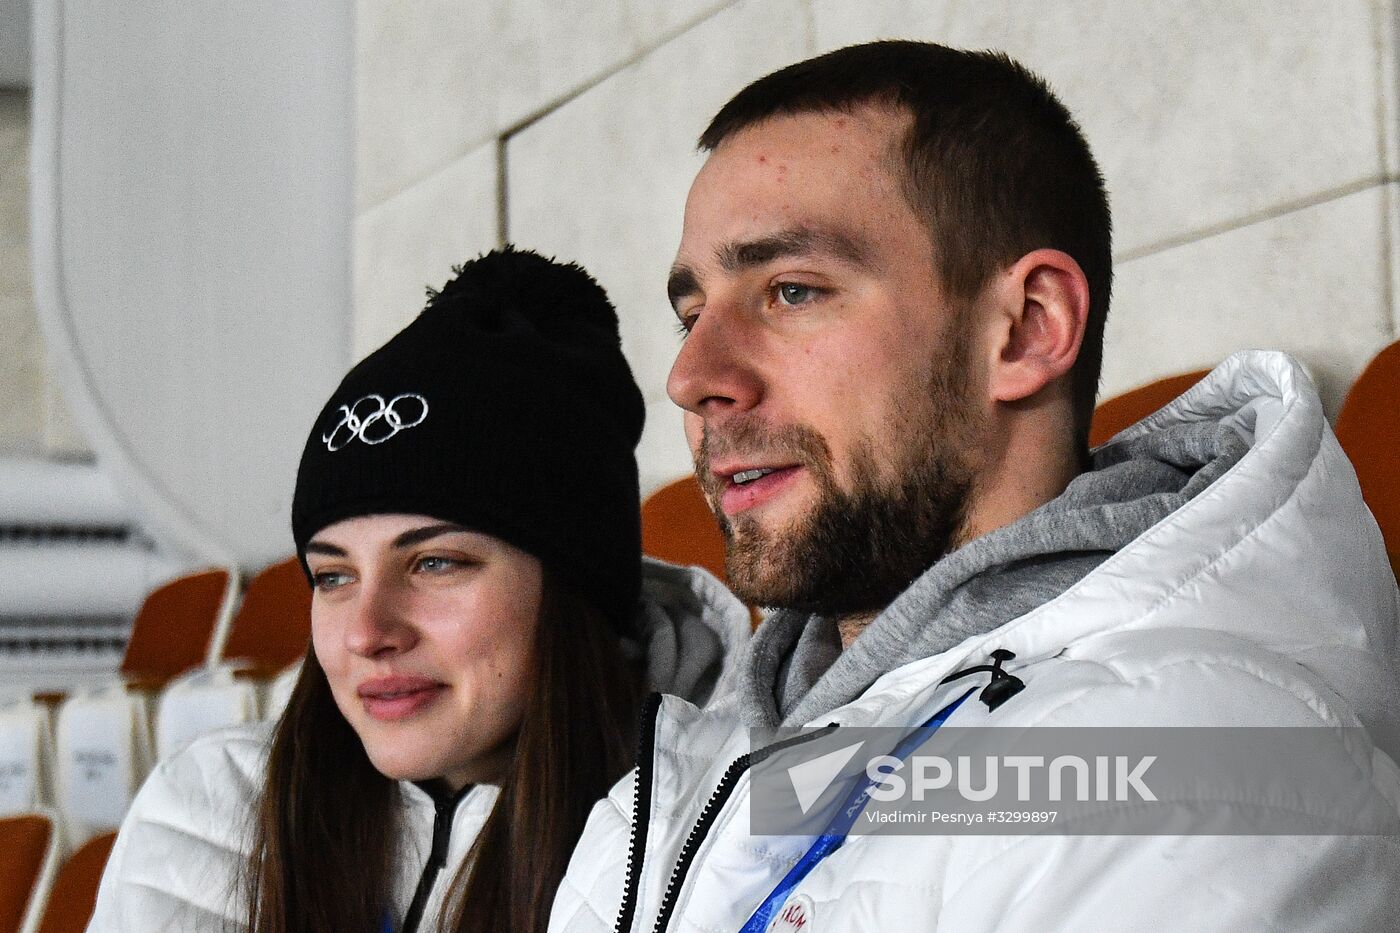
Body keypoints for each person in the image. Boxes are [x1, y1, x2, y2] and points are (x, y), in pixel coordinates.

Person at [550, 41, 1400, 931]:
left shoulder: (1198, 771)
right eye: (693, 314)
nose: (691, 377)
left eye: (792, 291)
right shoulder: (685, 775)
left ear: (1027, 328)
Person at [87, 248, 752, 933]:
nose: (366, 633)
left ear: (575, 591)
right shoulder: (205, 813)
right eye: (333, 576)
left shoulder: (750, 812)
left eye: (435, 563)